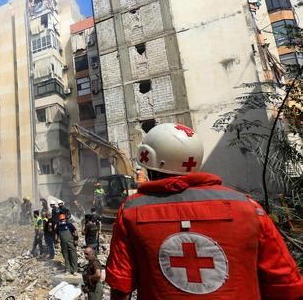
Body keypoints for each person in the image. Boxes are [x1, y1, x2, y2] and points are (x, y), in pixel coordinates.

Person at [107, 123, 303, 299]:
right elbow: (287, 285)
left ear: (149, 160)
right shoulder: (248, 207)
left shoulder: (132, 211)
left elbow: (120, 287)